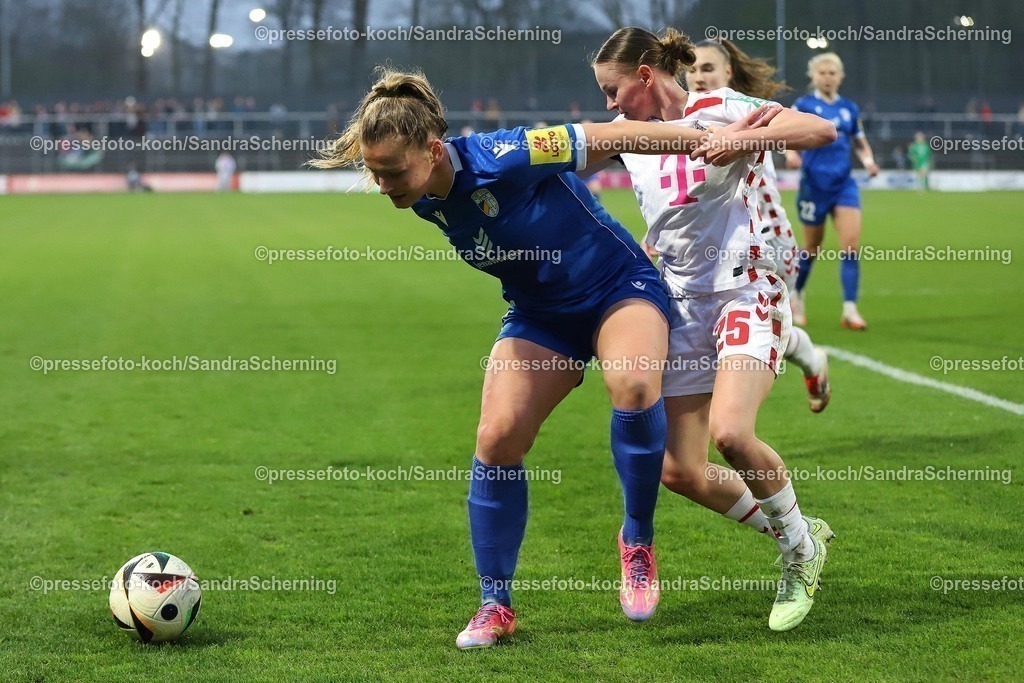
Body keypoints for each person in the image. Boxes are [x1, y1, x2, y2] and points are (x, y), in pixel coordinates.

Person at [311, 66, 772, 648]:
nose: (383, 186)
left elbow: (616, 136)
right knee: (497, 436)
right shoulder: (421, 195)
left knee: (633, 386)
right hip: (540, 314)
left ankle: (637, 543)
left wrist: (712, 137)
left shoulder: (506, 153)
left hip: (618, 288)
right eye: (374, 173)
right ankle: (495, 605)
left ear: (432, 150)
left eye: (392, 172)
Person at [591, 26, 837, 632]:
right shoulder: (627, 134)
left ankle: (798, 555)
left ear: (645, 76)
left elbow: (820, 130)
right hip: (681, 304)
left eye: (613, 90)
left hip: (746, 288)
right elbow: (556, 160)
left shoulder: (719, 105)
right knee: (680, 471)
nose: (609, 104)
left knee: (732, 432)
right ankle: (800, 531)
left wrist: (738, 139)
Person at [685, 38, 831, 413]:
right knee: (736, 334)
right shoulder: (683, 117)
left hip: (767, 241)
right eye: (691, 69)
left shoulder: (740, 108)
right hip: (717, 245)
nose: (698, 77)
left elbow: (813, 129)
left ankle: (728, 427)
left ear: (728, 72)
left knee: (740, 338)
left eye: (707, 68)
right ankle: (811, 360)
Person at [785, 53, 878, 330]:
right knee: (812, 248)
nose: (827, 77)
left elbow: (859, 141)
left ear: (840, 76)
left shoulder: (849, 108)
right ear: (813, 76)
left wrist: (869, 161)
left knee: (851, 245)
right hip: (814, 186)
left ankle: (850, 309)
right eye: (822, 73)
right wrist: (791, 153)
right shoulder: (803, 105)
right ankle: (796, 295)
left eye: (832, 73)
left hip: (843, 185)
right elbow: (786, 133)